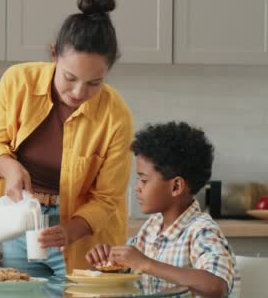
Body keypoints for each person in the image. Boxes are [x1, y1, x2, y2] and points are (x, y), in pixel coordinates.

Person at [0, 0, 134, 276]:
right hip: (21, 221)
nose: (78, 92)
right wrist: (10, 168)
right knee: (20, 295)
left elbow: (107, 198)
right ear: (54, 54)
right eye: (70, 77)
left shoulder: (117, 116)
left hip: (87, 237)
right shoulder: (18, 81)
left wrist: (69, 232)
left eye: (94, 83)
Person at [86, 122, 236, 297]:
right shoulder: (151, 227)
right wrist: (108, 262)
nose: (137, 187)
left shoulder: (201, 230)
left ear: (176, 186)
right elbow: (128, 271)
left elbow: (217, 286)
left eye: (144, 180)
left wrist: (146, 264)